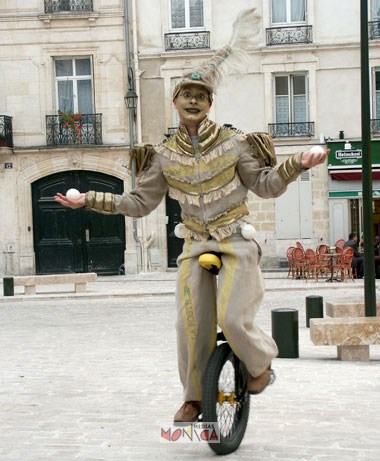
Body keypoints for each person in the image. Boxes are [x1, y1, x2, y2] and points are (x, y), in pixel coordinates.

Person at [54, 9, 328, 424]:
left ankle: (261, 365)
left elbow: (267, 185)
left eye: (201, 95)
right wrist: (88, 200)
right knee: (190, 327)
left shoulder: (236, 144)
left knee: (234, 319)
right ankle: (194, 399)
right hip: (195, 242)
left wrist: (298, 165)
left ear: (210, 102)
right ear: (175, 100)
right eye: (187, 94)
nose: (194, 100)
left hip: (236, 239)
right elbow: (140, 203)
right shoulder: (163, 155)